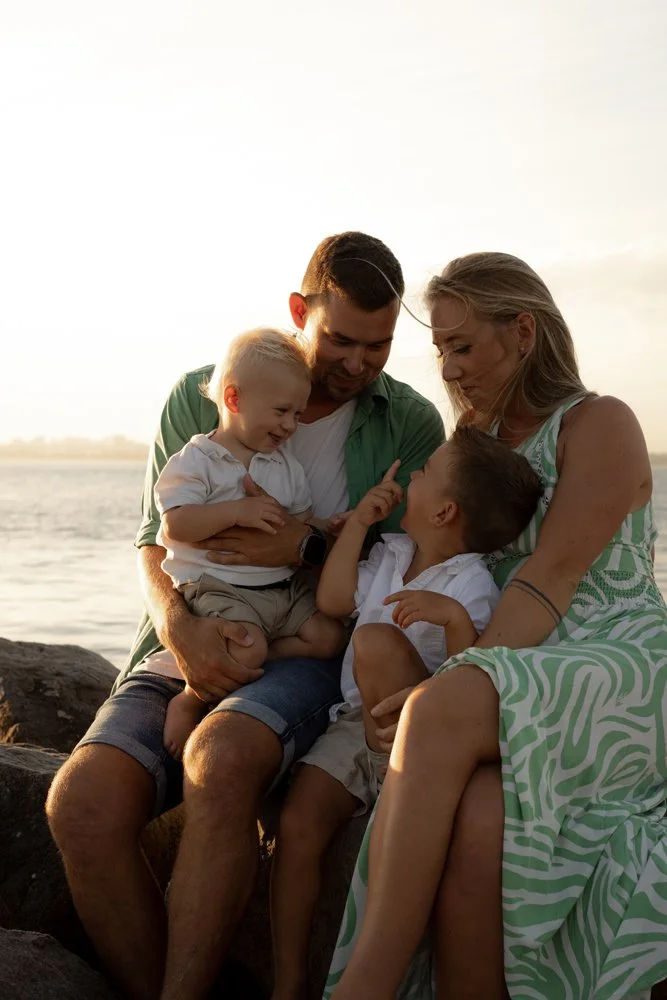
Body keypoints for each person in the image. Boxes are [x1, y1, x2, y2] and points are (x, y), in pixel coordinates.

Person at [45, 231, 445, 1000]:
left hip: (307, 652)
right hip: (190, 628)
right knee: (81, 803)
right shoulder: (204, 392)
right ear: (300, 310)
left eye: (380, 344)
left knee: (221, 758)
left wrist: (299, 546)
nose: (359, 363)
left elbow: (392, 569)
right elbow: (152, 538)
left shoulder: (409, 426)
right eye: (341, 338)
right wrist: (179, 631)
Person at [325, 252, 667, 1000]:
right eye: (440, 349)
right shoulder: (475, 446)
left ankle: (361, 988)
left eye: (462, 345)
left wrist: (452, 686)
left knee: (441, 709)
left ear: (522, 331)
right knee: (481, 820)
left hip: (611, 660)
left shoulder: (597, 422)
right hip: (518, 662)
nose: (447, 368)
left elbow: (549, 576)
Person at [270, 428, 543, 1000]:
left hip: (418, 740)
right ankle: (289, 979)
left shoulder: (471, 585)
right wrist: (362, 526)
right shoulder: (392, 553)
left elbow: (474, 685)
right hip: (355, 724)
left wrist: (454, 622)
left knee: (371, 643)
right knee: (298, 823)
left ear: (444, 511)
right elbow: (333, 601)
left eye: (424, 474)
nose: (411, 477)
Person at [152, 327, 345, 760]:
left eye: (297, 413)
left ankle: (259, 650)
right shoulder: (198, 459)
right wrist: (236, 512)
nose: (290, 425)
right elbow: (176, 525)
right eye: (281, 411)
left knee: (329, 637)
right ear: (235, 399)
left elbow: (296, 523)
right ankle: (190, 696)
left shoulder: (285, 466)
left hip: (282, 590)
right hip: (221, 587)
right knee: (249, 647)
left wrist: (330, 525)